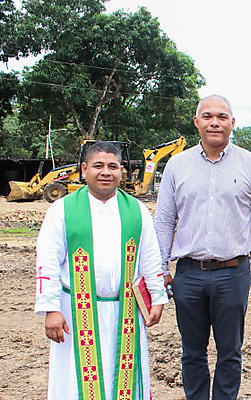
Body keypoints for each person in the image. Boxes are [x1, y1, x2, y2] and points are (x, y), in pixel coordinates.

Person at [154, 94, 251, 399]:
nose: (214, 122)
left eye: (222, 117)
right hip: (188, 274)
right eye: (207, 116)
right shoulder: (177, 165)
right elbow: (164, 220)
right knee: (192, 352)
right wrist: (160, 269)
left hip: (232, 274)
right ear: (196, 122)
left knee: (230, 352)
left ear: (232, 123)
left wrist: (241, 239)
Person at [34, 141, 168, 400]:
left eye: (112, 166)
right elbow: (47, 261)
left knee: (124, 380)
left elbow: (151, 258)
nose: (106, 172)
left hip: (126, 312)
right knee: (74, 383)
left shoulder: (137, 211)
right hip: (75, 312)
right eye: (98, 166)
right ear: (84, 169)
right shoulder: (62, 210)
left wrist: (158, 298)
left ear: (121, 172)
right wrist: (51, 309)